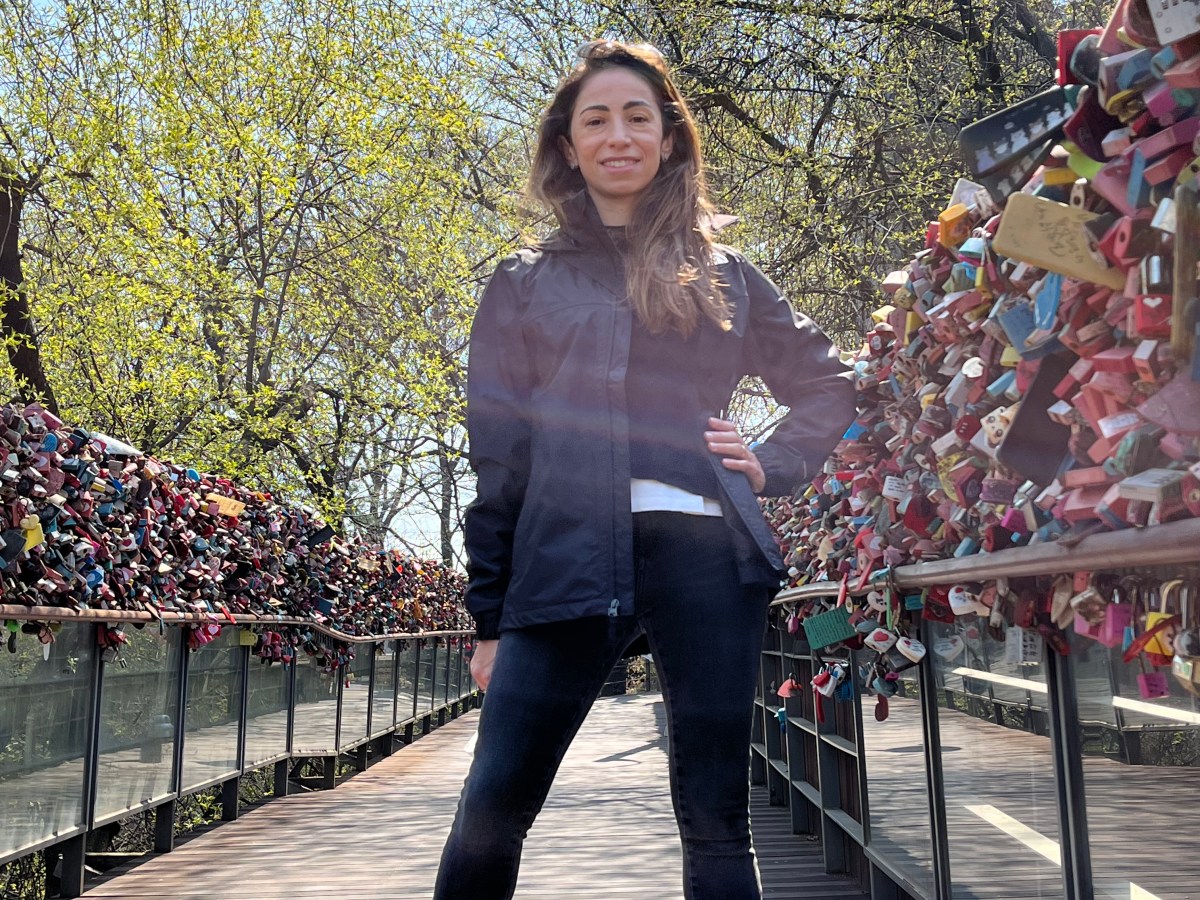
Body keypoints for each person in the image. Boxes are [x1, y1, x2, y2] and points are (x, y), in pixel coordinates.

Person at [434, 40, 856, 900]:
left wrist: (773, 463)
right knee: (490, 808)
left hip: (706, 560)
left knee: (716, 823)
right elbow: (498, 457)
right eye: (597, 120)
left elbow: (830, 384)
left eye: (639, 117)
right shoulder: (521, 284)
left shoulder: (727, 275)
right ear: (567, 144)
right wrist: (488, 619)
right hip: (563, 564)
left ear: (670, 140)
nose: (618, 135)